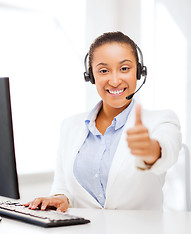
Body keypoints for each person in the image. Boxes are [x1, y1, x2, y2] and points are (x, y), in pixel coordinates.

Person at [24, 31, 182, 212]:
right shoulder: (70, 126)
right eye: (104, 70)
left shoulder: (162, 120)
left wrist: (149, 150)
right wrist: (61, 198)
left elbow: (167, 153)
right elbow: (63, 187)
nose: (115, 80)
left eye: (124, 68)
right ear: (90, 76)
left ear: (139, 72)